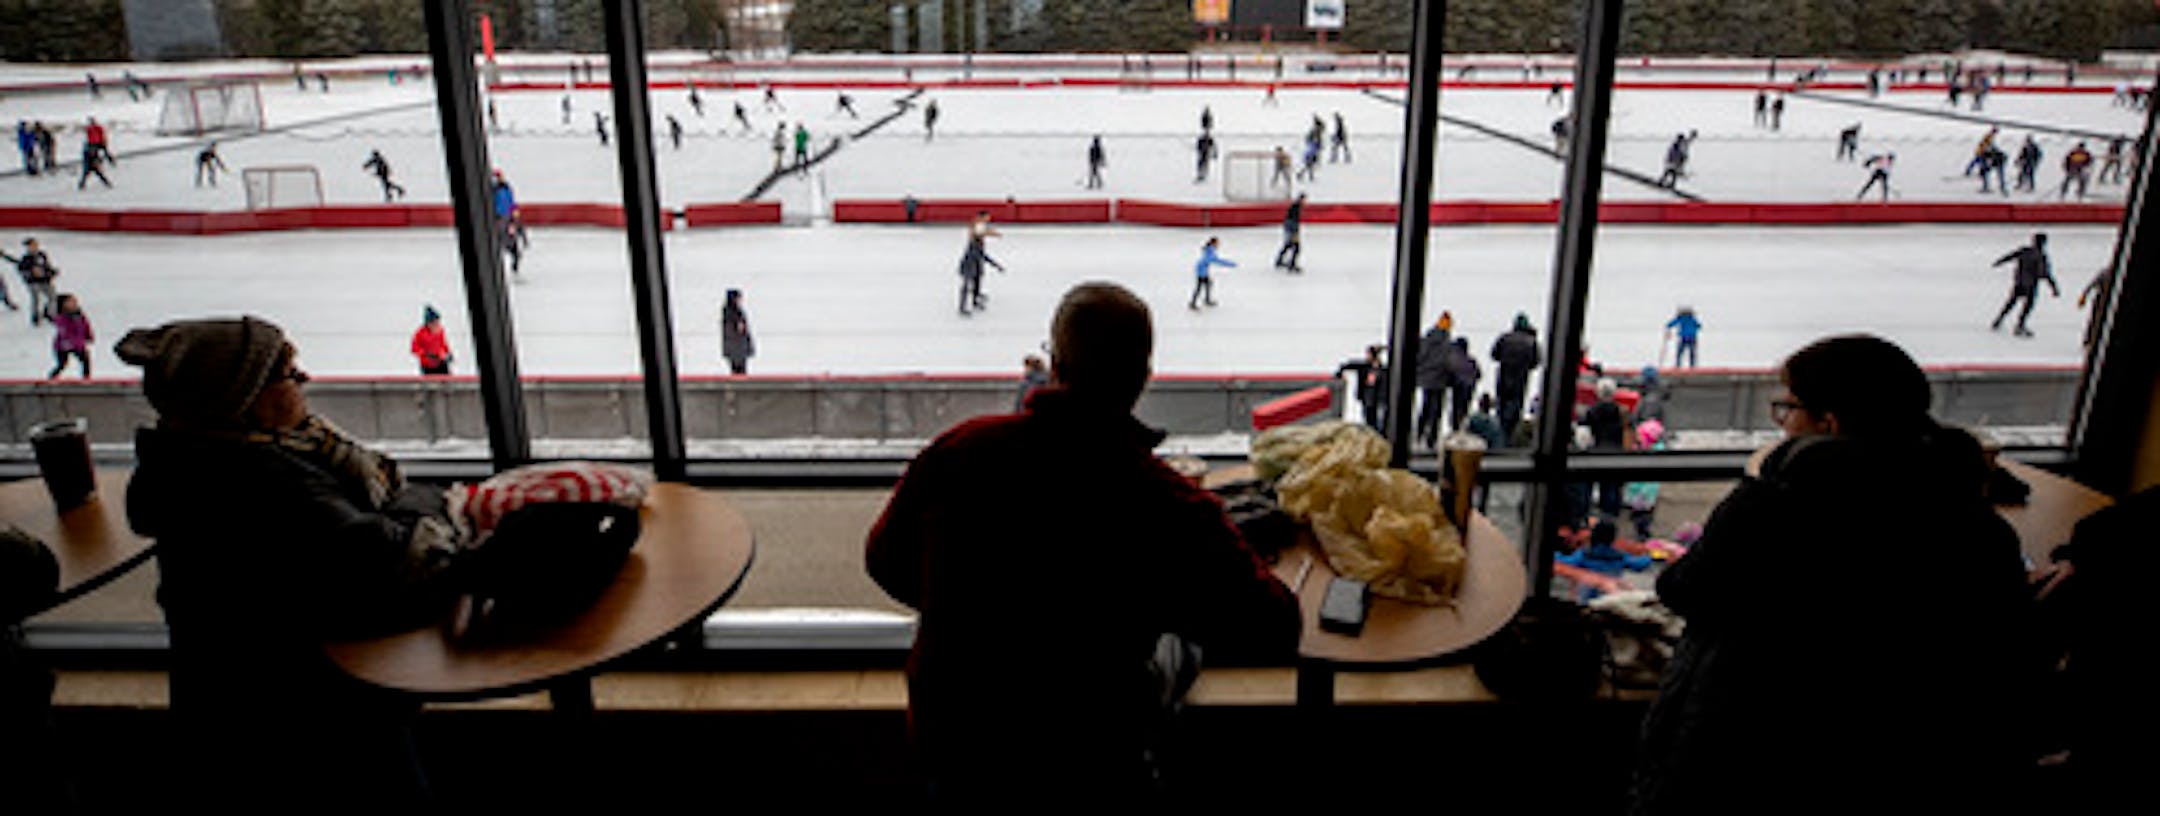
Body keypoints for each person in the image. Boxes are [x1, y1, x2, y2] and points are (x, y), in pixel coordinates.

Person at [865, 282, 1301, 801]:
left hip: (955, 741)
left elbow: (884, 561)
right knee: (1175, 649)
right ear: (1142, 378)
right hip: (1091, 760)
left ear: (1056, 364)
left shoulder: (962, 450)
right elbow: (1274, 624)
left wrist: (975, 609)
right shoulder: (1167, 502)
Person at [1630, 334, 2035, 815]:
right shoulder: (1976, 524)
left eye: (1789, 408)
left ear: (1829, 422)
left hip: (1751, 754)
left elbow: (1684, 589)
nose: (1782, 424)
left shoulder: (1775, 509)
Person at [116, 316, 464, 807]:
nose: (304, 379)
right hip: (316, 719)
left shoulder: (202, 460)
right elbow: (391, 556)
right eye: (286, 372)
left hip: (243, 709)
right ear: (241, 400)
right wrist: (425, 501)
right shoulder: (260, 483)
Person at [1991, 232, 2059, 338]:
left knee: (2011, 302)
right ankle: (2020, 325)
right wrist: (2053, 287)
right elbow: (2045, 273)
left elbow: (2010, 256)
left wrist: (1999, 262)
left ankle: (1998, 320)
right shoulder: (2041, 256)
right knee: (2028, 305)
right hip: (2031, 284)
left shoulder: (2025, 251)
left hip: (2019, 281)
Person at [1580, 377, 1630, 519]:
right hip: (1616, 452)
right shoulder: (1621, 412)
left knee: (1588, 487)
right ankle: (1610, 516)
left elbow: (1585, 434)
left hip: (1596, 452)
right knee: (1611, 488)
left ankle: (1585, 514)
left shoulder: (1591, 411)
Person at [1489, 312, 1541, 444]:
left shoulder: (1505, 338)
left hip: (1503, 375)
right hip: (1520, 378)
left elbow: (1494, 355)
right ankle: (1510, 437)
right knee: (1515, 407)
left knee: (1501, 405)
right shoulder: (1531, 341)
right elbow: (1536, 361)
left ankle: (1500, 436)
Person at [1414, 312, 1453, 450]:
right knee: (1436, 411)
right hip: (1440, 380)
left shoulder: (1427, 339)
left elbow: (1419, 356)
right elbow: (1449, 362)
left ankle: (1418, 435)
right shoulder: (1447, 343)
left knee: (1425, 408)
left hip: (1426, 379)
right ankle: (1432, 439)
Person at [956, 215, 1004, 316]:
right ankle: (962, 307)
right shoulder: (975, 242)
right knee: (967, 285)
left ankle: (974, 301)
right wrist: (996, 265)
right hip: (970, 264)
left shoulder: (977, 240)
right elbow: (981, 254)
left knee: (976, 283)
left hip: (976, 264)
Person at [1335, 343, 1388, 431]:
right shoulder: (1364, 366)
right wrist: (1340, 374)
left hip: (1378, 399)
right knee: (1369, 419)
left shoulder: (1383, 369)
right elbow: (1346, 366)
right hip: (1367, 398)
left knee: (1377, 420)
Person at [5, 238, 55, 323]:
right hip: (33, 282)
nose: (34, 247)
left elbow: (47, 266)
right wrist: (30, 273)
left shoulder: (42, 255)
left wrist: (51, 272)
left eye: (35, 245)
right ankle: (35, 316)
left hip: (45, 280)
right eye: (32, 246)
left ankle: (49, 313)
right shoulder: (26, 259)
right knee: (35, 297)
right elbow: (21, 269)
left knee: (52, 296)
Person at [47, 294, 92, 379]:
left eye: (75, 302)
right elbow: (65, 331)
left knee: (85, 360)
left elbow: (85, 325)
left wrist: (88, 335)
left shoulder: (79, 315)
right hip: (62, 346)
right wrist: (73, 343)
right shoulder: (61, 318)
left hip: (78, 343)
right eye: (71, 302)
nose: (74, 304)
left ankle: (86, 378)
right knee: (62, 364)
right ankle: (52, 377)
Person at [1187, 237, 1235, 311]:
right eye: (1217, 243)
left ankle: (1206, 299)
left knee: (1209, 284)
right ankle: (1193, 303)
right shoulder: (1210, 252)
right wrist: (1230, 264)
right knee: (1199, 287)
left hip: (1203, 269)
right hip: (1201, 271)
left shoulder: (1210, 249)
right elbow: (1218, 261)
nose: (1218, 244)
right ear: (1213, 243)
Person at [1444, 336, 1481, 432]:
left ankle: (1455, 429)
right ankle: (1461, 428)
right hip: (1469, 388)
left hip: (1458, 387)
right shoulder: (1471, 360)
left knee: (1456, 409)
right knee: (1464, 410)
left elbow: (1449, 373)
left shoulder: (1453, 358)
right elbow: (1478, 374)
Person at [410, 305, 451, 375]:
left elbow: (444, 344)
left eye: (437, 322)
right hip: (427, 366)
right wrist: (426, 354)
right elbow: (414, 349)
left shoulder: (440, 331)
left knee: (446, 380)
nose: (437, 324)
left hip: (440, 363)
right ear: (428, 323)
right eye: (434, 322)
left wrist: (448, 353)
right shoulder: (420, 333)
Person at [721, 288, 754, 375]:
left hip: (737, 348)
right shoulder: (732, 313)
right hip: (736, 349)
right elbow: (738, 330)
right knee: (738, 371)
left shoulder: (734, 311)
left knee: (738, 371)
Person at [1274, 194, 1305, 273]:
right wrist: (1295, 232)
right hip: (1291, 227)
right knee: (1296, 247)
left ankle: (1279, 260)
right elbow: (1293, 220)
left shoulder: (1295, 206)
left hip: (1288, 227)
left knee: (1288, 245)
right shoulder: (1296, 207)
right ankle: (1292, 264)